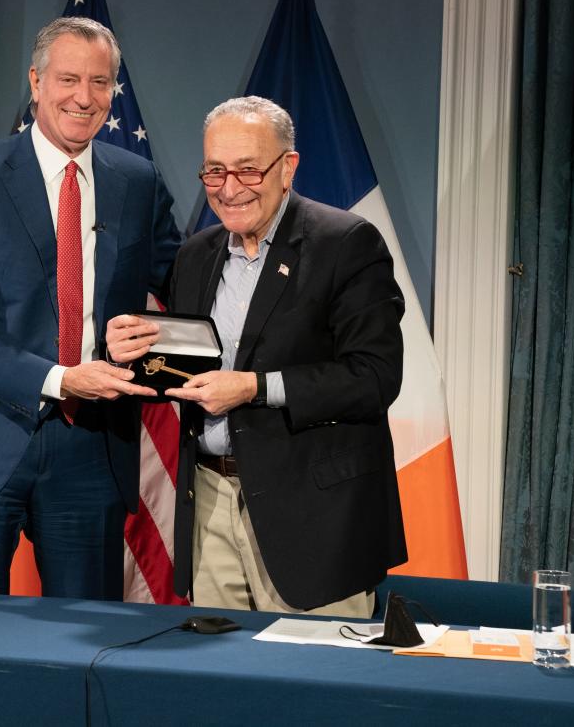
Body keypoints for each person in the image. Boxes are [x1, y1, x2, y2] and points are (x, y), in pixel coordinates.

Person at [0, 17, 181, 600]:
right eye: (68, 79)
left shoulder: (138, 182)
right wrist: (62, 378)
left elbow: (185, 290)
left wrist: (153, 334)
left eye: (101, 83)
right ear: (36, 82)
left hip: (91, 447)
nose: (84, 98)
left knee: (85, 648)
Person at [107, 96, 407, 616]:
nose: (229, 188)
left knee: (312, 686)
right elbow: (183, 366)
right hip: (209, 503)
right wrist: (125, 352)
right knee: (222, 686)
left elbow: (375, 377)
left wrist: (255, 387)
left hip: (311, 518)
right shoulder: (196, 254)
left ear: (287, 167)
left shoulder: (346, 244)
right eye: (215, 171)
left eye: (248, 169)